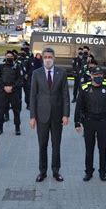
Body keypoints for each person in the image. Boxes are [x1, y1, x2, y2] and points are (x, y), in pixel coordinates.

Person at [30, 47, 70, 182]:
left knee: (56, 144)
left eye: (50, 57)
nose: (48, 59)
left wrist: (66, 114)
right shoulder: (36, 73)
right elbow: (33, 96)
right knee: (42, 145)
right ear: (42, 58)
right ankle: (42, 171)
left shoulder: (62, 73)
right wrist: (32, 117)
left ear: (54, 58)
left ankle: (56, 170)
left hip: (57, 116)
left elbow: (65, 95)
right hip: (41, 116)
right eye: (45, 57)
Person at [74, 66, 106, 181]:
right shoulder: (84, 88)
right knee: (89, 149)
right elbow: (79, 106)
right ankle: (88, 172)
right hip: (89, 122)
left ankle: (102, 172)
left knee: (103, 149)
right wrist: (77, 122)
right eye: (96, 75)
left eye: (100, 75)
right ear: (91, 76)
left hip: (103, 122)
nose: (98, 77)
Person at [0, 50, 23, 135]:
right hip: (3, 92)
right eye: (8, 56)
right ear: (5, 57)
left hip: (14, 92)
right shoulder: (0, 66)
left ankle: (17, 128)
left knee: (16, 111)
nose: (9, 58)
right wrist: (4, 87)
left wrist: (12, 87)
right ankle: (0, 128)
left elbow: (20, 79)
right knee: (1, 111)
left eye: (11, 57)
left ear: (13, 57)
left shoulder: (17, 66)